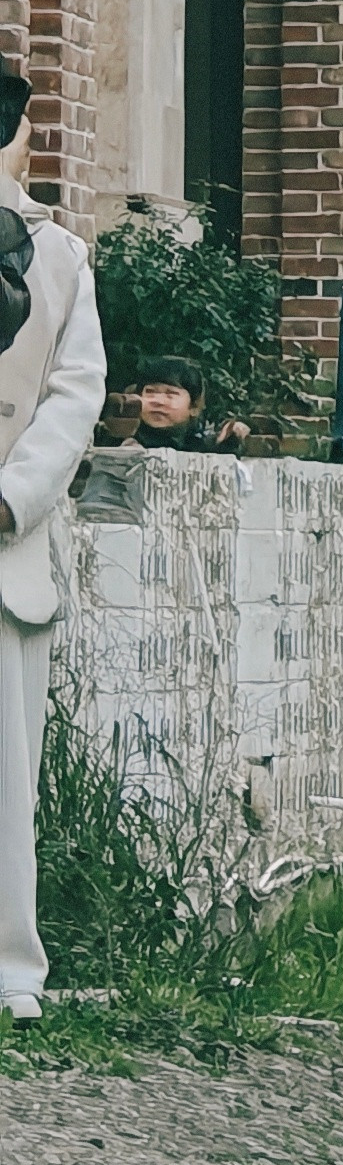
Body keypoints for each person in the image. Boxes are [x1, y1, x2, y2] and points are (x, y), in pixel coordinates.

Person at [0, 59, 107, 1029]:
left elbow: (75, 399)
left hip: (5, 550)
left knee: (6, 769)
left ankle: (9, 967)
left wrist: (7, 498)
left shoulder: (60, 259)